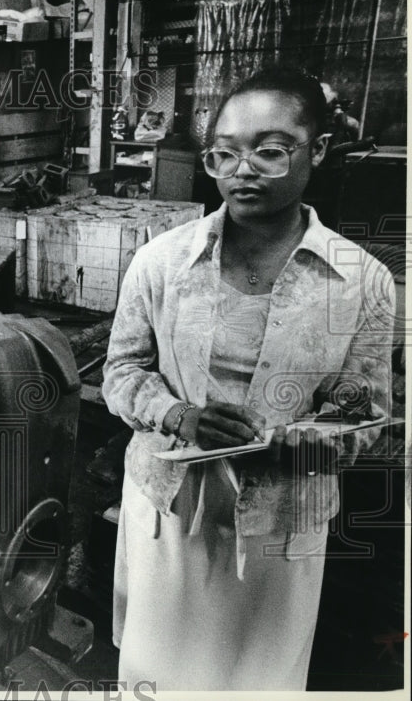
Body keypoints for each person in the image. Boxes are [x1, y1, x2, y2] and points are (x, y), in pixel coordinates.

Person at [102, 67, 395, 691]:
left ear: (316, 150)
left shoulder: (362, 277)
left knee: (258, 676)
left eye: (269, 150)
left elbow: (362, 410)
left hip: (284, 513)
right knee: (160, 672)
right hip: (170, 502)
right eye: (225, 154)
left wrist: (321, 437)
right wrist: (179, 416)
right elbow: (122, 372)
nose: (244, 170)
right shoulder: (163, 260)